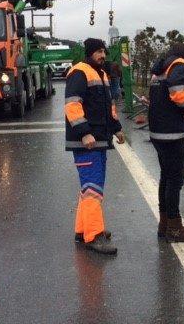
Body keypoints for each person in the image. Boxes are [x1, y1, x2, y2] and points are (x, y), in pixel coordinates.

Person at [65, 38, 125, 255]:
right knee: (92, 188)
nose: (103, 55)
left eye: (104, 52)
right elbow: (72, 106)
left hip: (99, 139)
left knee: (91, 187)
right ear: (89, 53)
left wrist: (117, 128)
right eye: (99, 52)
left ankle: (83, 230)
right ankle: (94, 235)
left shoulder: (101, 73)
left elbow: (109, 107)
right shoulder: (80, 72)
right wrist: (85, 133)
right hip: (87, 141)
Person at [148, 42, 184, 242]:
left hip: (158, 132)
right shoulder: (178, 64)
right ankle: (175, 229)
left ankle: (165, 224)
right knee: (175, 180)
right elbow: (178, 91)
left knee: (166, 178)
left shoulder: (160, 68)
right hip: (172, 132)